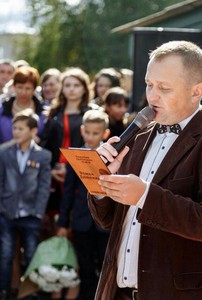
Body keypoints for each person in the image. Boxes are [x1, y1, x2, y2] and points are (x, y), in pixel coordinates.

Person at [87, 40, 202, 300]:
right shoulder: (139, 135)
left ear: (197, 91)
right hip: (117, 292)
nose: (152, 96)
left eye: (164, 88)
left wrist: (144, 196)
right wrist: (103, 184)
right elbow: (108, 220)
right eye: (149, 84)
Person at [56, 109, 110, 300]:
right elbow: (68, 192)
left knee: (105, 264)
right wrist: (63, 223)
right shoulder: (75, 156)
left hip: (105, 224)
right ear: (81, 130)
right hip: (81, 221)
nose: (90, 136)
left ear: (105, 133)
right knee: (85, 266)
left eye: (96, 133)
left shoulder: (113, 155)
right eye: (87, 132)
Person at [0, 108, 52, 300]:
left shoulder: (43, 156)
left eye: (21, 128)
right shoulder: (4, 152)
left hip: (31, 213)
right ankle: (4, 291)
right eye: (15, 128)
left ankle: (32, 293)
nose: (16, 132)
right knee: (5, 255)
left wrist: (38, 212)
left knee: (31, 254)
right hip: (8, 212)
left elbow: (44, 186)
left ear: (33, 131)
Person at [0, 66, 45, 145]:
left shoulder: (44, 113)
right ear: (14, 87)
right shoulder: (2, 110)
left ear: (34, 89)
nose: (23, 92)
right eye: (20, 87)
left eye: (28, 88)